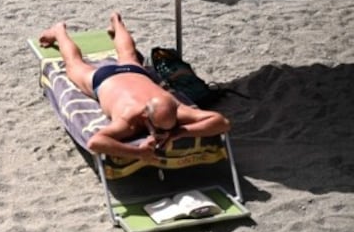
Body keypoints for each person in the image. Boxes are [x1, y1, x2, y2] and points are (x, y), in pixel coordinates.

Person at [39, 12, 230, 163]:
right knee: (74, 64)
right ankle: (59, 31)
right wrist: (137, 153)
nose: (163, 133)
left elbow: (222, 122)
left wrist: (179, 132)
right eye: (159, 129)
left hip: (135, 75)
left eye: (167, 129)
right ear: (145, 116)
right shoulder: (128, 121)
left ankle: (117, 22)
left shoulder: (175, 109)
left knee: (128, 54)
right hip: (104, 80)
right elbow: (96, 142)